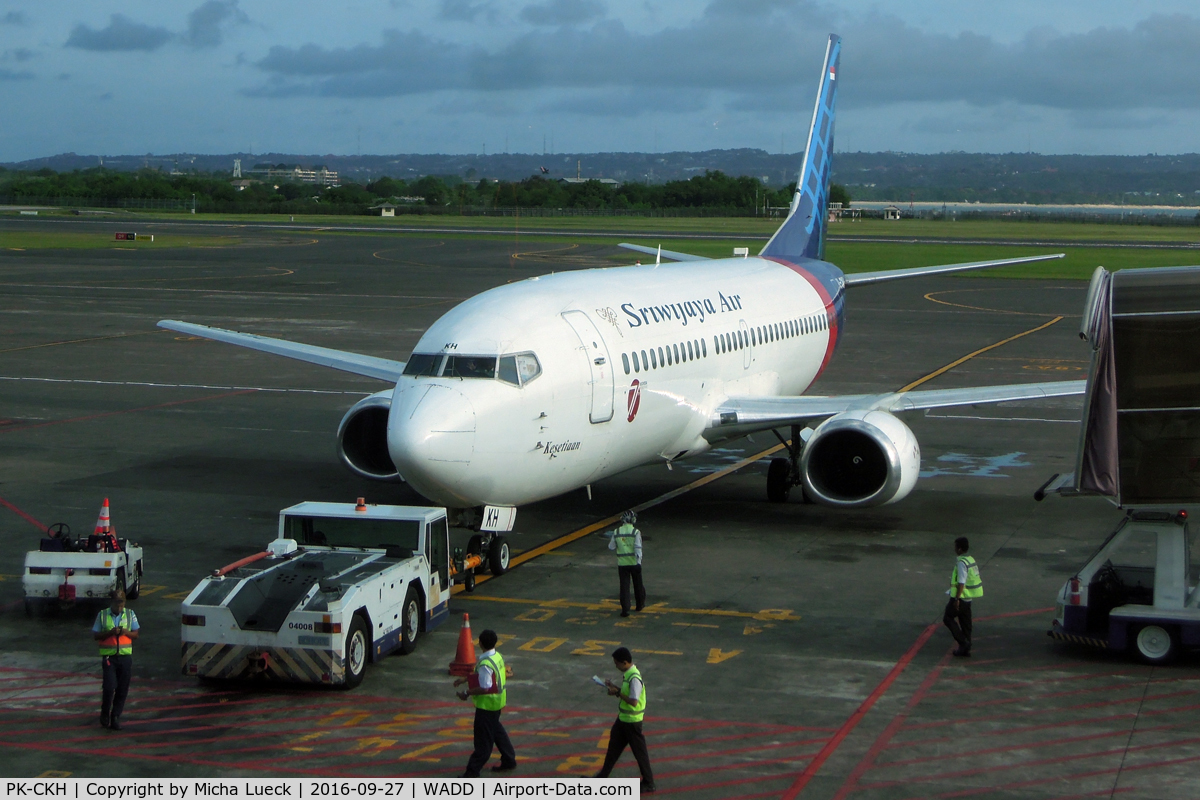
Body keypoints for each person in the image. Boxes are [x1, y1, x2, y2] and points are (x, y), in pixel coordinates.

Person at [454, 629, 517, 777]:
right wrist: (465, 679)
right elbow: (485, 677)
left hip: (487, 706)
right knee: (497, 732)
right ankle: (509, 759)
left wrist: (467, 693)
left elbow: (485, 687)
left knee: (483, 742)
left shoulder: (485, 663)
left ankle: (472, 772)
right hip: (497, 702)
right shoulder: (497, 657)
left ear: (480, 643)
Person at [595, 647, 655, 793]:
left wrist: (618, 692)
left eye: (617, 663)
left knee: (640, 753)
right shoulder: (628, 675)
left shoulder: (634, 678)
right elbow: (626, 694)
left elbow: (633, 701)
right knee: (612, 750)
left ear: (625, 662)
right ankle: (601, 778)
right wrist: (615, 689)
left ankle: (648, 782)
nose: (616, 666)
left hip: (632, 723)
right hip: (623, 720)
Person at [92, 588, 139, 730]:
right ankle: (105, 712)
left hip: (125, 657)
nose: (120, 606)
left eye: (122, 603)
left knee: (122, 688)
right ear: (111, 602)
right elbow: (96, 635)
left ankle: (115, 716)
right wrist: (110, 633)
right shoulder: (102, 615)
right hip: (109, 657)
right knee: (109, 686)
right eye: (117, 603)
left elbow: (136, 634)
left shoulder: (130, 614)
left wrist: (126, 632)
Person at [944, 537, 983, 657]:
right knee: (965, 623)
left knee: (948, 618)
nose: (955, 549)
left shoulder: (961, 563)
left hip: (961, 597)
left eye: (956, 547)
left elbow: (961, 582)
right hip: (969, 598)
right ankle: (965, 649)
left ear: (959, 549)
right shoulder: (970, 560)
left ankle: (963, 642)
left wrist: (956, 599)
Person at [608, 510, 645, 617]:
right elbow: (638, 548)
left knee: (624, 586)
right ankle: (639, 605)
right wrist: (639, 562)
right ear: (632, 520)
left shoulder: (616, 532)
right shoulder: (635, 532)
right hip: (634, 563)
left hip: (622, 564)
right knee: (638, 585)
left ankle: (625, 609)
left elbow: (611, 547)